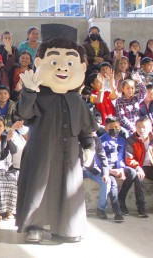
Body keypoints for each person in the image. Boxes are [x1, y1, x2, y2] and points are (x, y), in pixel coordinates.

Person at [17, 35, 97, 243]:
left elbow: (86, 129)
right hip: (41, 149)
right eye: (55, 62)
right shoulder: (37, 94)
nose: (62, 69)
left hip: (69, 152)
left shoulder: (76, 99)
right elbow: (24, 114)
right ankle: (33, 225)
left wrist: (89, 146)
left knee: (69, 189)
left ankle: (66, 226)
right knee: (37, 187)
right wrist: (29, 92)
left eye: (70, 63)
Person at [83, 135, 124, 223]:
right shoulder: (77, 137)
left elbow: (103, 157)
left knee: (107, 183)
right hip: (77, 170)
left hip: (92, 170)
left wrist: (105, 173)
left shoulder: (96, 140)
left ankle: (101, 209)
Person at [124, 117, 153, 218]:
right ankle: (141, 209)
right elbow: (129, 158)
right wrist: (137, 167)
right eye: (139, 127)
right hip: (139, 166)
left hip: (151, 166)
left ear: (150, 128)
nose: (142, 130)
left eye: (145, 127)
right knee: (139, 178)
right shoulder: (131, 140)